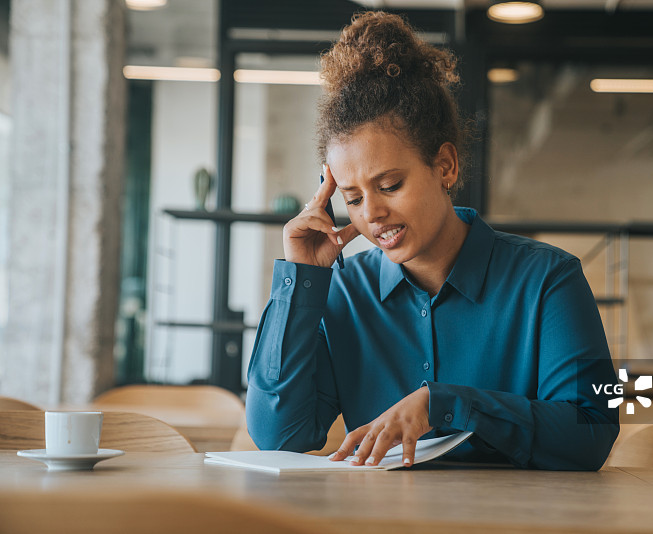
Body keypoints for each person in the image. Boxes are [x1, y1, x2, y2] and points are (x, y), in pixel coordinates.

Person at [246, 11, 619, 470]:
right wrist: (299, 281)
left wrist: (447, 405)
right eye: (353, 198)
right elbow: (278, 436)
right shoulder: (342, 291)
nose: (371, 214)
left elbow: (592, 430)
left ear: (445, 166)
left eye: (389, 185)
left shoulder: (549, 279)